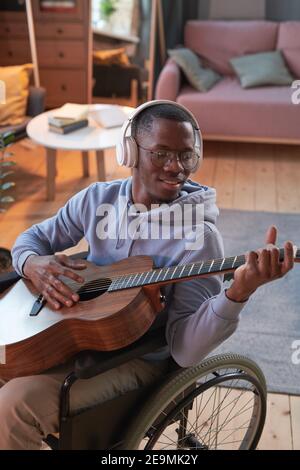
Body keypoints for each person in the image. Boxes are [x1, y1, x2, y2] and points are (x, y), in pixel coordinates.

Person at [0, 100, 294, 450]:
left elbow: (185, 350)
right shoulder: (97, 199)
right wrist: (32, 262)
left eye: (186, 155)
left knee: (14, 404)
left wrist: (237, 295)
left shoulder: (198, 238)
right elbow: (33, 239)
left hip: (138, 358)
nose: (176, 167)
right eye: (161, 154)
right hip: (73, 331)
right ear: (130, 152)